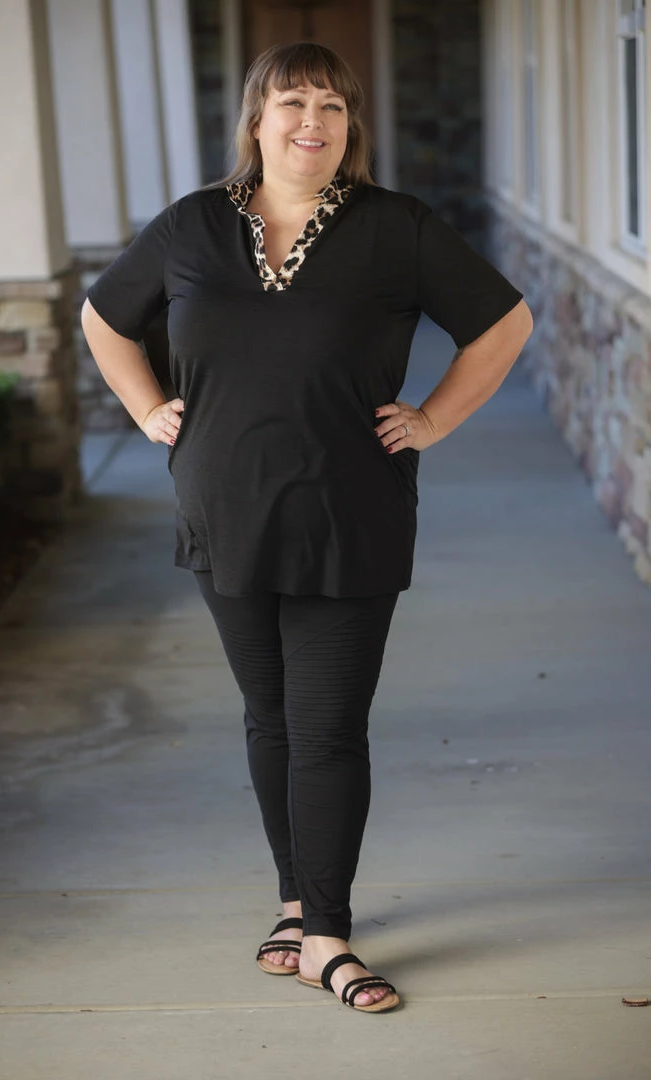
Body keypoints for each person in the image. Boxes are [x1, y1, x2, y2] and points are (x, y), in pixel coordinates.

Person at [81, 41, 533, 1014]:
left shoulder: (396, 228)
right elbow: (104, 319)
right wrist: (147, 407)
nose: (311, 121)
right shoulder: (193, 225)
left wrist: (433, 419)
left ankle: (328, 935)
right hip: (224, 508)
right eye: (292, 102)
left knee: (327, 726)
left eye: (331, 104)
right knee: (270, 715)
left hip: (349, 509)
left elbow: (504, 325)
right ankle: (294, 904)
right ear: (256, 119)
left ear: (349, 125)